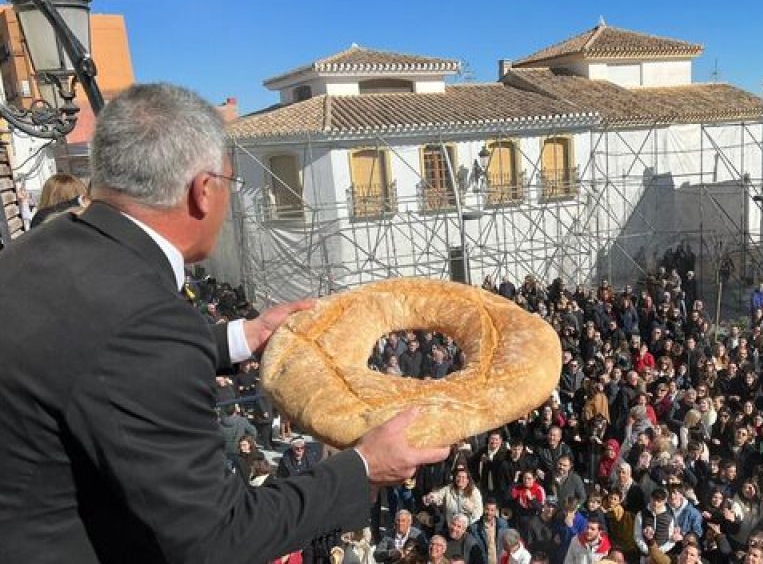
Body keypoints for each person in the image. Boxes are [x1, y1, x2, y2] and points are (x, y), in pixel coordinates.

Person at [0, 84, 449, 562]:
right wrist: (362, 468)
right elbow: (218, 539)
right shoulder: (145, 321)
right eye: (230, 183)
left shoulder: (34, 251)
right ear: (202, 190)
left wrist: (241, 337)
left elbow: (94, 353)